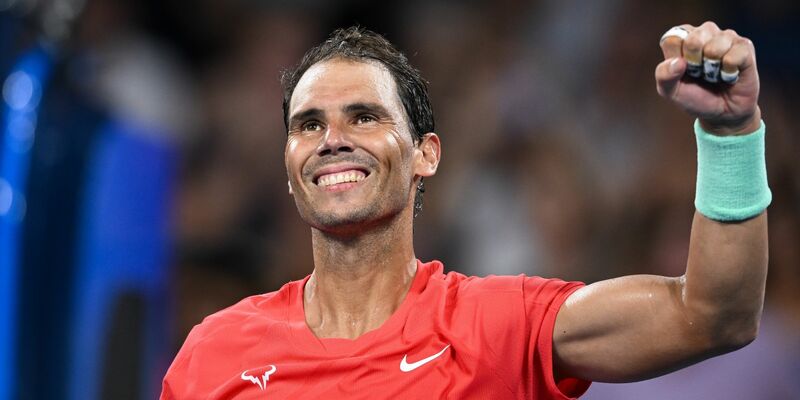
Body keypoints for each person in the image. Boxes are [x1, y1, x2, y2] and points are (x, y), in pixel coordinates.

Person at [160, 22, 770, 399]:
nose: (331, 140)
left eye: (365, 117)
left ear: (427, 154)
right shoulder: (216, 351)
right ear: (290, 167)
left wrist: (732, 133)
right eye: (308, 124)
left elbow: (714, 315)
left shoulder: (499, 327)